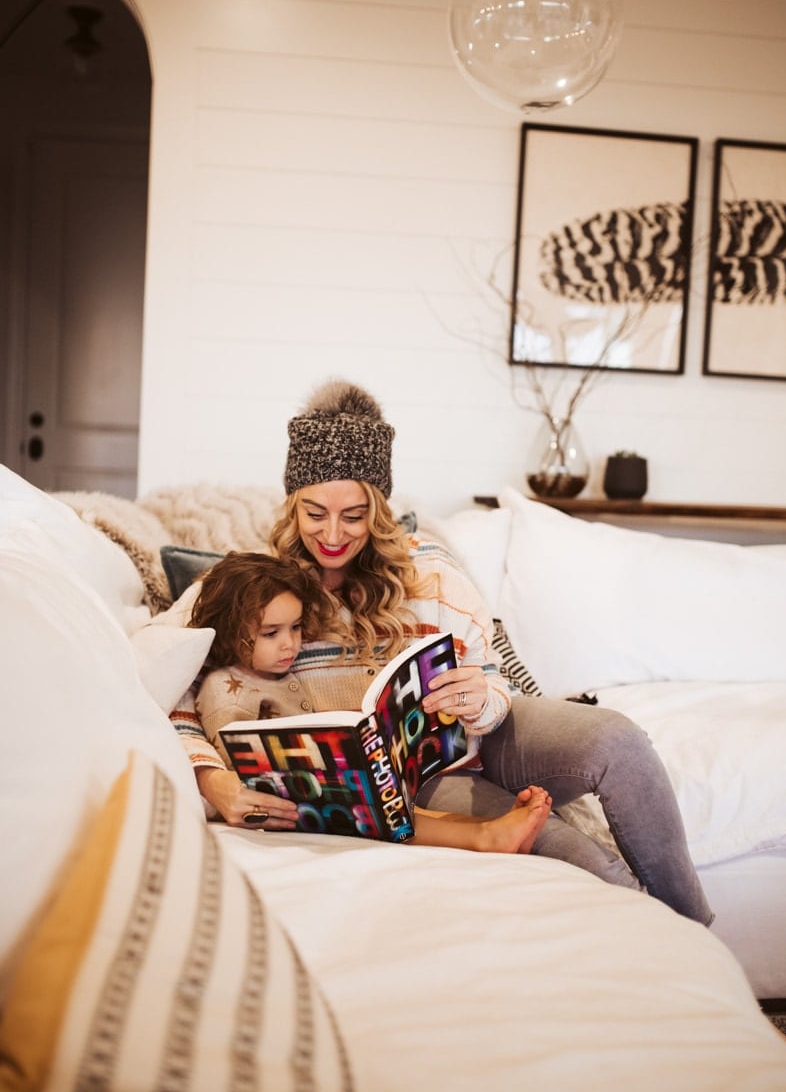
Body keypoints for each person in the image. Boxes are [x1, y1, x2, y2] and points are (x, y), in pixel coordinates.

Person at [170, 379, 713, 925]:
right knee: (589, 865)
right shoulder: (254, 588)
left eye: (353, 516)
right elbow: (178, 695)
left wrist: (481, 696)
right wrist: (213, 781)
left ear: (378, 509)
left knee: (617, 739)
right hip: (428, 779)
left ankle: (698, 927)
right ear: (292, 505)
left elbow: (496, 680)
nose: (332, 534)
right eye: (315, 513)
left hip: (488, 736)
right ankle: (665, 944)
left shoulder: (429, 569)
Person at [187, 548, 552, 854]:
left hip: (323, 789)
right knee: (384, 814)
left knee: (403, 808)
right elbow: (241, 765)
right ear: (232, 632)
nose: (290, 644)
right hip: (287, 806)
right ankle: (485, 837)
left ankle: (487, 829)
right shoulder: (224, 690)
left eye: (296, 628)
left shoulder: (279, 670)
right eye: (271, 633)